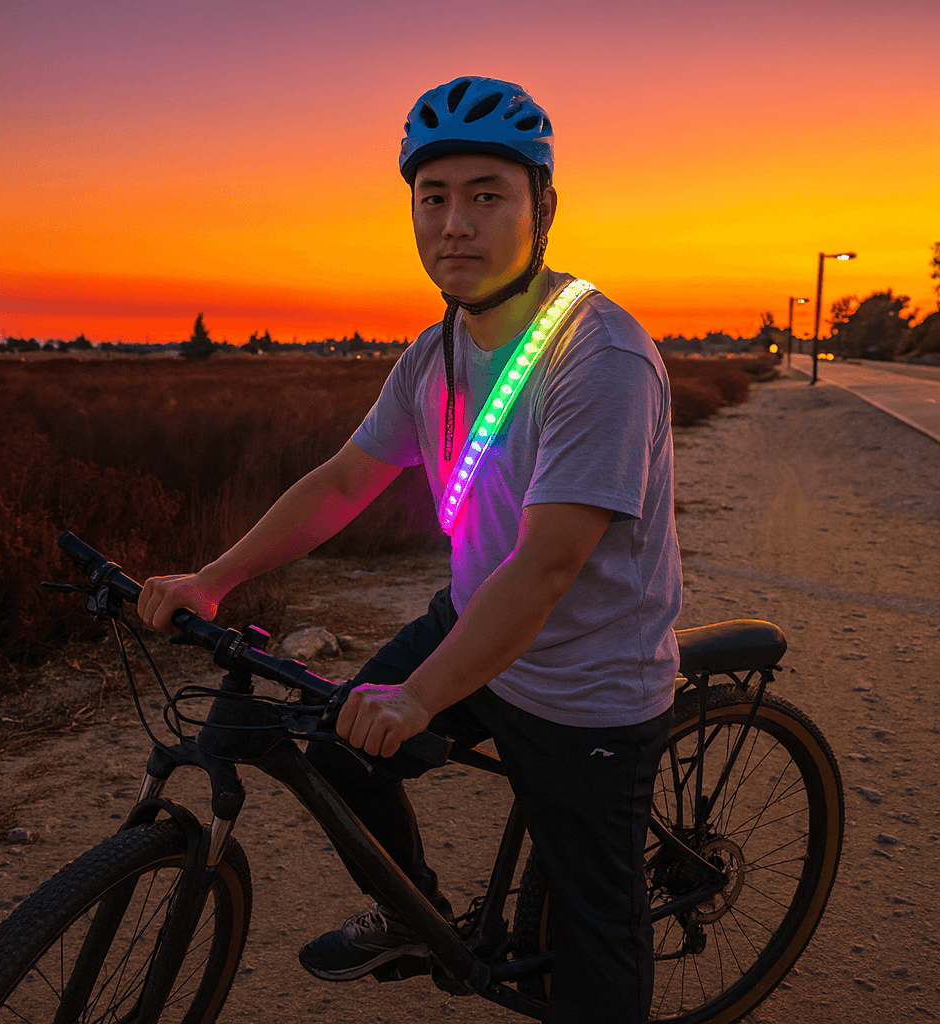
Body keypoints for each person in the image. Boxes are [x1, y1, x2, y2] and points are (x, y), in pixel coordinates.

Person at [137, 75, 681, 1023]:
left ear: (543, 207)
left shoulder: (601, 358)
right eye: (433, 198)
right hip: (474, 621)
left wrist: (421, 697)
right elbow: (345, 480)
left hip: (586, 676)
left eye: (486, 195)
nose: (454, 224)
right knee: (336, 751)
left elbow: (548, 565)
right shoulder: (438, 352)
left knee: (595, 932)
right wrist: (214, 579)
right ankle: (411, 912)